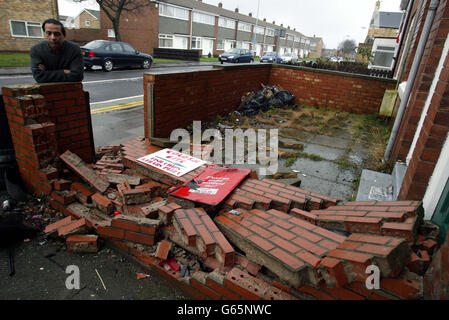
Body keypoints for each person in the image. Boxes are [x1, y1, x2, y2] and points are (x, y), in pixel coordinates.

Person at [30, 19, 84, 83]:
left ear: (63, 35)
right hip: (46, 91)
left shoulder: (74, 49)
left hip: (70, 90)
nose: (53, 37)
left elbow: (78, 75)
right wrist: (64, 71)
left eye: (57, 34)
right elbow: (39, 76)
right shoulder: (36, 50)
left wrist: (47, 73)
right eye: (48, 33)